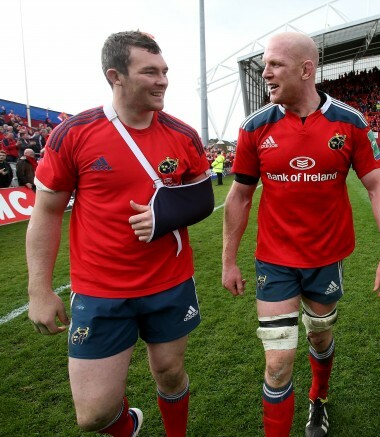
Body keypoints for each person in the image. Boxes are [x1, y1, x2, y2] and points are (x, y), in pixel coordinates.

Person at [26, 30, 212, 437]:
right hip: (100, 291)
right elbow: (47, 212)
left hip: (169, 281)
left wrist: (164, 216)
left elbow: (202, 198)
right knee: (93, 414)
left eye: (164, 71)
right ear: (116, 76)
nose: (163, 80)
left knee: (169, 372)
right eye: (150, 72)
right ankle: (129, 424)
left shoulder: (183, 135)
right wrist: (39, 288)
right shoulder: (74, 134)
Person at [221, 31, 380, 437]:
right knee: (278, 361)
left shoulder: (349, 122)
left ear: (306, 70)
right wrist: (228, 261)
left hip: (326, 258)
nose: (265, 73)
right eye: (265, 64)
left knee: (320, 340)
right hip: (275, 260)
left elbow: (378, 185)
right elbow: (239, 196)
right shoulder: (255, 127)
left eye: (274, 65)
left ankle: (318, 398)